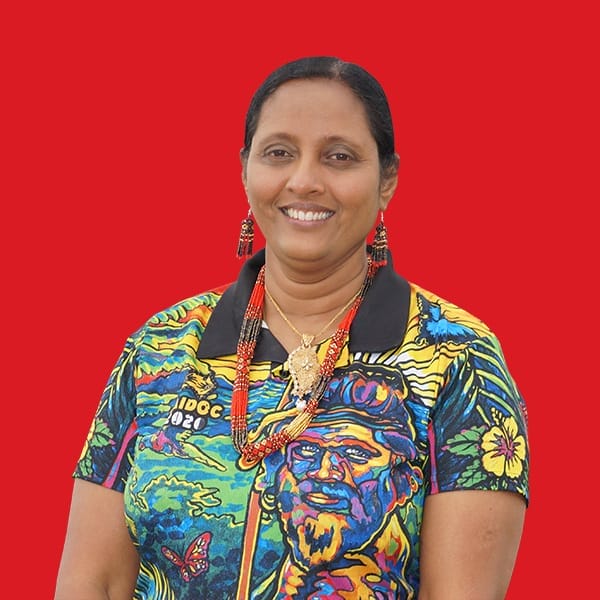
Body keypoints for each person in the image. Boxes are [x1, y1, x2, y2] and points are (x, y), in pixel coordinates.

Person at [55, 56, 529, 600]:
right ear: (245, 170)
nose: (304, 181)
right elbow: (93, 582)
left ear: (387, 181)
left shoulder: (459, 359)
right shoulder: (159, 348)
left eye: (339, 157)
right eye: (279, 153)